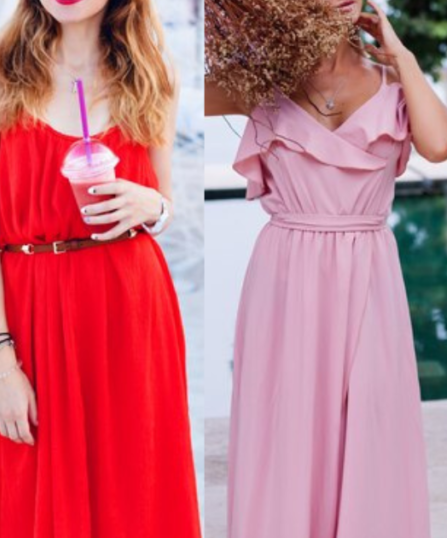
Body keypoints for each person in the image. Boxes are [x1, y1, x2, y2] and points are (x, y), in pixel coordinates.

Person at [205, 1, 447, 536]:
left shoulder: (392, 80)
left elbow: (439, 143)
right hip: (285, 279)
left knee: (374, 431)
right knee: (286, 433)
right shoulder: (260, 81)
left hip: (368, 277)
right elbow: (164, 92)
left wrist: (402, 53)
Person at [0, 0, 200, 536]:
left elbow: (165, 200)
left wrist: (152, 206)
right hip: (31, 318)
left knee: (133, 499)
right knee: (26, 491)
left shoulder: (153, 73)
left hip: (131, 320)